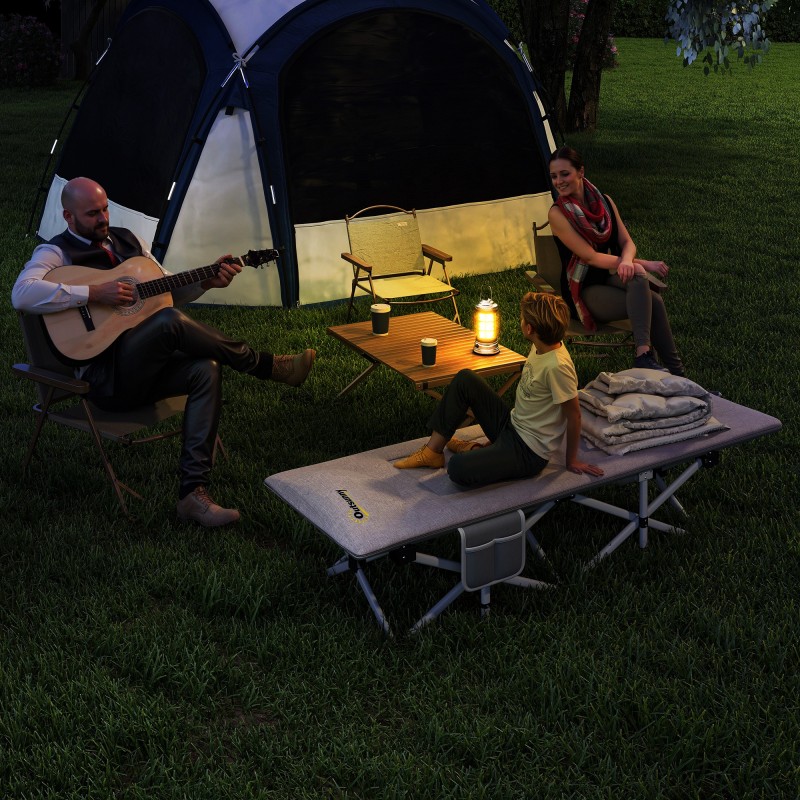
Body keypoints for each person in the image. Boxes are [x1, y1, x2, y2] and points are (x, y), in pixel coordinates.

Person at [12, 177, 316, 527]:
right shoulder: (55, 252)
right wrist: (94, 294)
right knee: (170, 321)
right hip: (104, 383)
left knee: (206, 366)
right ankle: (265, 365)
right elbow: (22, 294)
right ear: (68, 216)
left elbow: (167, 291)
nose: (103, 218)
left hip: (147, 372)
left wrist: (206, 281)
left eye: (105, 208)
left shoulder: (130, 242)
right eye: (92, 213)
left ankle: (192, 495)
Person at [393, 292, 603, 487]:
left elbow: (574, 415)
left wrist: (572, 460)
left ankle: (479, 451)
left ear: (530, 329)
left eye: (522, 319)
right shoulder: (542, 344)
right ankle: (432, 452)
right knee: (466, 379)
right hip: (511, 425)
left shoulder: (558, 366)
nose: (521, 321)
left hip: (527, 452)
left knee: (457, 468)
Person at [547, 146, 685, 376]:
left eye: (565, 174)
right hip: (582, 290)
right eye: (554, 176)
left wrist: (630, 261)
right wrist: (637, 264)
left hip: (606, 277)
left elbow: (627, 243)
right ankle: (654, 362)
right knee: (651, 300)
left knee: (642, 283)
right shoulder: (558, 214)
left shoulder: (605, 203)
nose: (559, 181)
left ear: (581, 172)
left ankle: (668, 370)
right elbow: (590, 257)